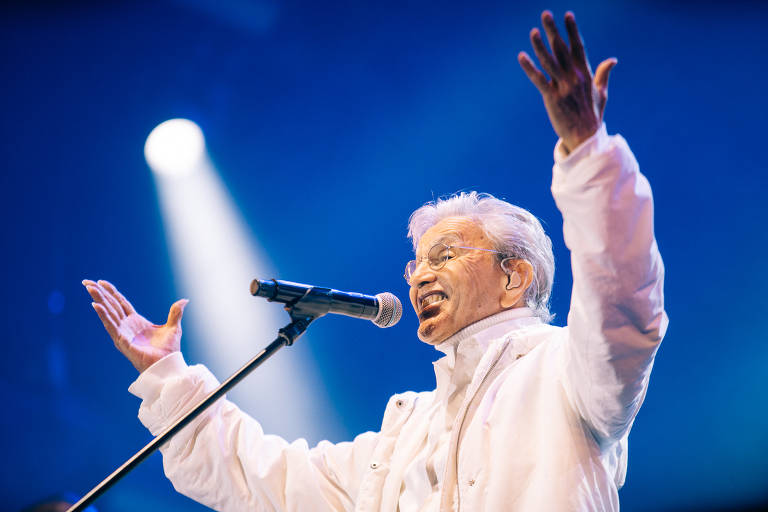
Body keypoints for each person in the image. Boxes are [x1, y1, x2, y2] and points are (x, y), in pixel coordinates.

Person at [83, 11, 667, 511]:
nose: (419, 276)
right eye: (414, 266)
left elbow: (622, 300)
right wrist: (166, 376)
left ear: (515, 275)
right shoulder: (405, 430)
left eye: (444, 255)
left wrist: (588, 155)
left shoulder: (568, 372)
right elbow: (264, 481)